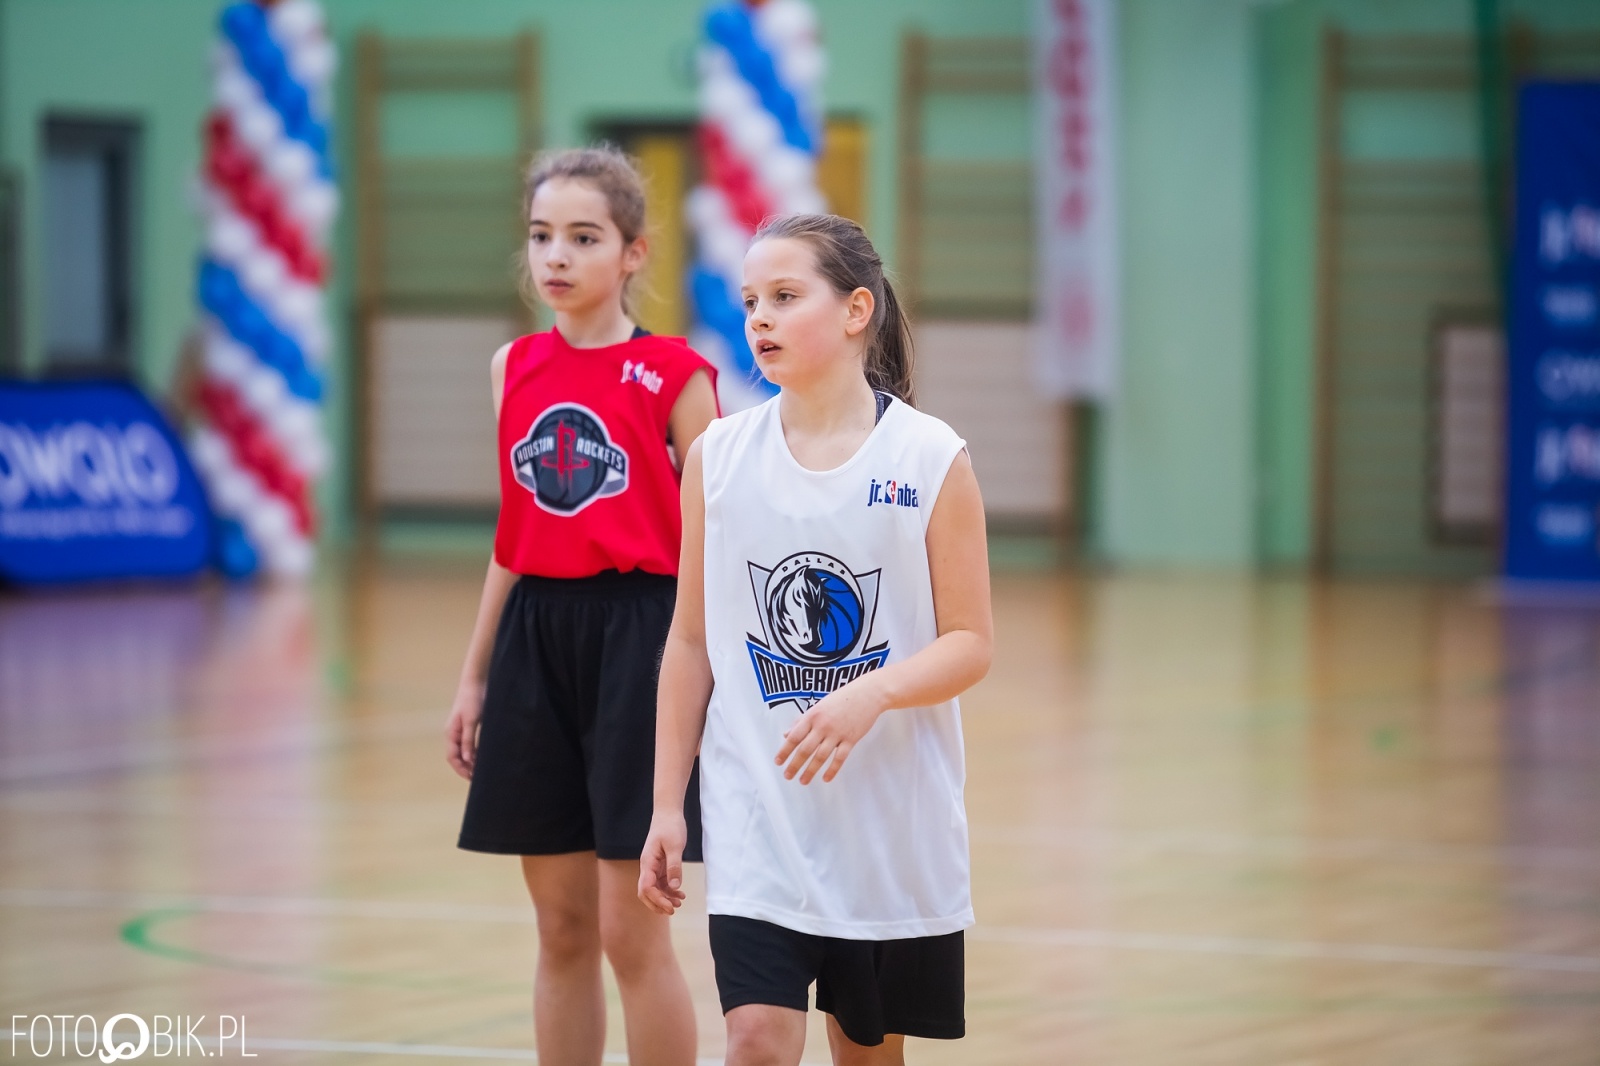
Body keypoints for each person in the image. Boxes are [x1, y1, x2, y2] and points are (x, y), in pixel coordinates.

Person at [639, 213, 993, 1066]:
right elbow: (690, 644)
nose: (759, 318)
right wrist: (663, 806)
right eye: (750, 300)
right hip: (757, 813)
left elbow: (971, 642)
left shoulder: (929, 458)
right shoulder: (717, 458)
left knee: (866, 1053)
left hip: (886, 827)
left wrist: (870, 693)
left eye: (786, 297)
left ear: (855, 310)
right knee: (756, 1039)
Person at [446, 145, 719, 1066]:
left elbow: (717, 543)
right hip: (535, 642)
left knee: (629, 931)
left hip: (640, 638)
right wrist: (475, 674)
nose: (555, 256)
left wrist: (707, 671)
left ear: (633, 253)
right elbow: (512, 533)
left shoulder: (680, 376)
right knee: (560, 929)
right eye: (540, 236)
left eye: (582, 237)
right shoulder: (511, 367)